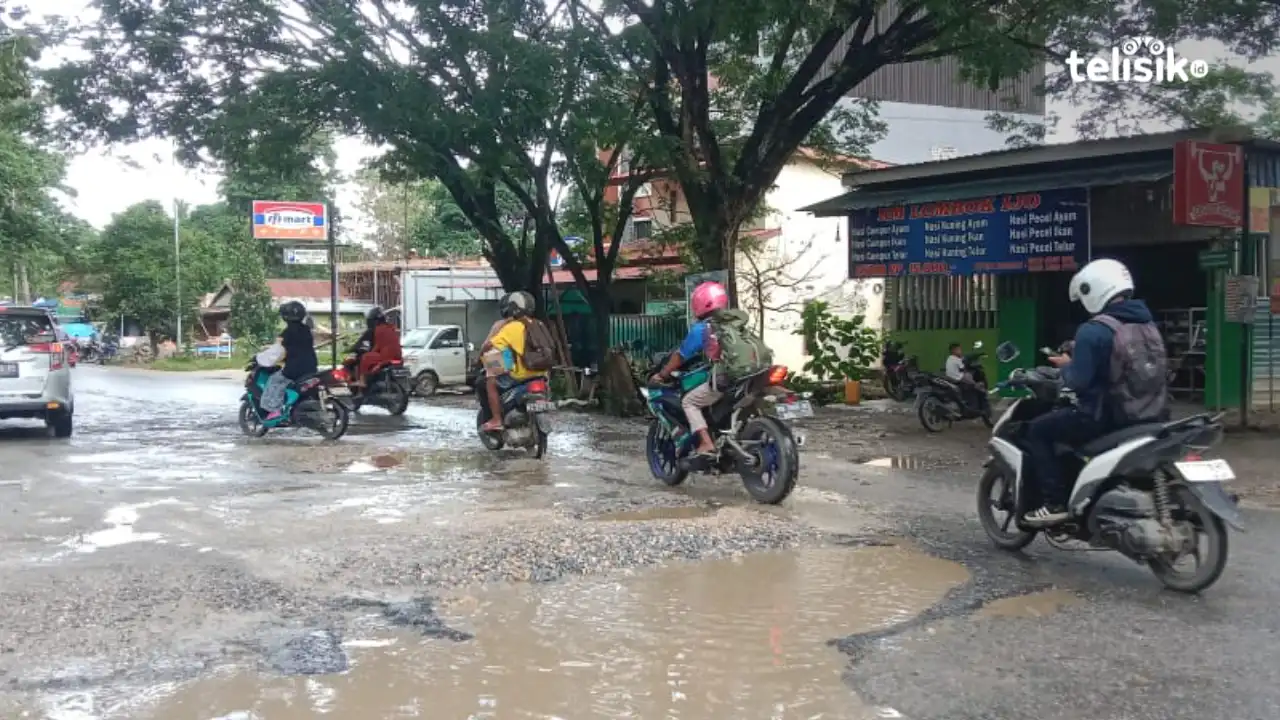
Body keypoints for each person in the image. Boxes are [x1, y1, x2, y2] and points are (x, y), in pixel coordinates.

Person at [1023, 258, 1161, 526]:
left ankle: (1055, 503)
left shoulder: (1094, 329)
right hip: (1147, 413)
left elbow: (1078, 382)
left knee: (1037, 431)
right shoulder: (1147, 324)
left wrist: (1066, 366)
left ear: (1094, 289)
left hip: (1101, 416)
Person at [649, 281, 730, 456]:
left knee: (689, 402)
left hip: (724, 379)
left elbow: (680, 355)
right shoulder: (734, 324)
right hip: (744, 377)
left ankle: (706, 442)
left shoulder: (703, 328)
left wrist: (663, 374)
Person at [477, 291, 550, 432]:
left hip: (512, 366)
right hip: (541, 371)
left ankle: (497, 419)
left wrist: (480, 356)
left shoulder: (507, 326)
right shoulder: (539, 324)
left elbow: (490, 346)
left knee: (490, 382)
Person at [261, 301, 318, 423]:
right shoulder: (307, 330)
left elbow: (278, 352)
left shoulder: (286, 333)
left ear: (285, 317)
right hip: (311, 367)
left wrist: (263, 355)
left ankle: (275, 410)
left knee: (274, 381)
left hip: (294, 369)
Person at [352, 306, 402, 388]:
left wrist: (371, 352)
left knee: (365, 357)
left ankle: (362, 381)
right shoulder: (391, 327)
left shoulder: (378, 329)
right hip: (398, 355)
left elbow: (378, 345)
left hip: (386, 356)